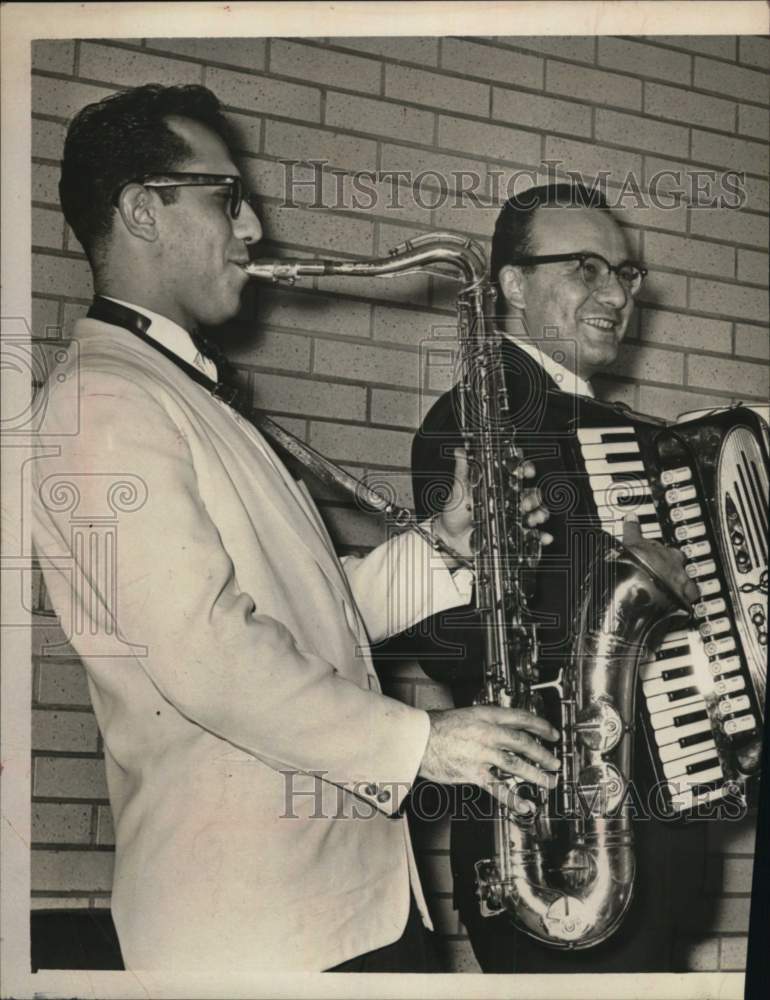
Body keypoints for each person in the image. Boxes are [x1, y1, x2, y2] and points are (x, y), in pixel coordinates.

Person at [30, 85, 561, 975]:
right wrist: (422, 743)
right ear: (140, 211)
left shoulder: (183, 393)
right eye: (226, 198)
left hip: (340, 907)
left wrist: (449, 546)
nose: (252, 231)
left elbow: (305, 611)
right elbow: (205, 654)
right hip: (259, 931)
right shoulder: (99, 405)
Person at [409, 182, 704, 973]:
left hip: (647, 827)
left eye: (624, 273)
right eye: (584, 268)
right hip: (554, 849)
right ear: (511, 284)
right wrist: (614, 585)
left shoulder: (622, 434)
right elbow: (450, 643)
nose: (615, 293)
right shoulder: (473, 417)